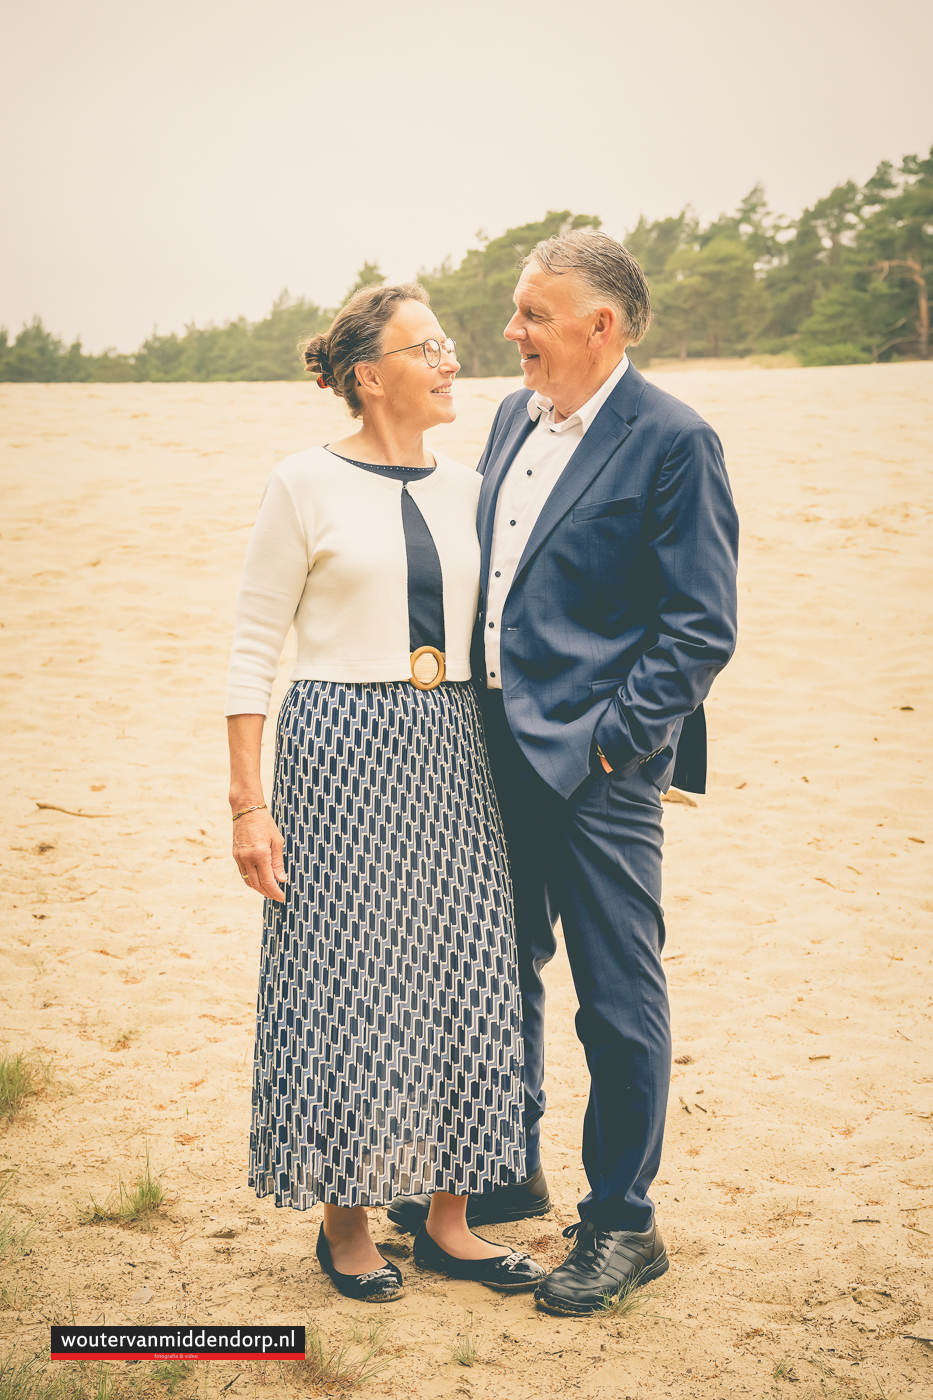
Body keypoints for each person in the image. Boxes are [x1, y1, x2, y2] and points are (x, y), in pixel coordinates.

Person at [390, 231, 739, 1315]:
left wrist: (607, 744)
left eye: (534, 314)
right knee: (500, 972)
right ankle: (507, 1166)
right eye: (514, 310)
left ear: (603, 324)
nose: (511, 333)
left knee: (617, 995)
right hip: (491, 745)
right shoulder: (508, 418)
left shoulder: (676, 439)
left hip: (600, 767)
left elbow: (699, 628)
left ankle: (624, 1222)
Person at [224, 282, 545, 1303]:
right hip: (336, 744)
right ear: (371, 375)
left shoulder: (471, 485)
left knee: (465, 965)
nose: (452, 360)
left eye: (447, 343)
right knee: (350, 975)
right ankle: (347, 1224)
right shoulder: (300, 482)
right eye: (429, 346)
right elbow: (249, 649)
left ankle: (451, 1221)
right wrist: (247, 803)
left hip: (454, 743)